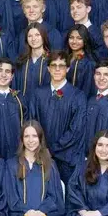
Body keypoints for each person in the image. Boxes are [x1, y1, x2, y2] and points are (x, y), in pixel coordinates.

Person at [29, 51, 86, 185]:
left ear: (67, 68)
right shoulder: (38, 94)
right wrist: (42, 148)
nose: (57, 69)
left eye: (61, 65)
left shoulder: (77, 95)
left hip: (67, 158)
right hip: (40, 155)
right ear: (48, 68)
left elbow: (76, 129)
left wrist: (53, 149)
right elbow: (33, 123)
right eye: (54, 65)